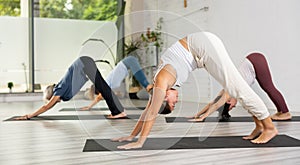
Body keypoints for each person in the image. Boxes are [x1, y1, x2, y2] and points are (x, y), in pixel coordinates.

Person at [112, 32, 278, 150]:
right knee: (233, 88)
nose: (176, 102)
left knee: (237, 87)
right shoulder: (159, 87)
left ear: (164, 96)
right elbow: (147, 111)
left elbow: (152, 113)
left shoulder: (162, 81)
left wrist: (140, 142)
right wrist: (131, 135)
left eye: (172, 103)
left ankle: (269, 127)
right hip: (201, 49)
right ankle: (259, 126)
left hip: (202, 45)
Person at [15, 56, 151, 120]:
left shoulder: (59, 90)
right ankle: (118, 110)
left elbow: (47, 107)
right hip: (85, 63)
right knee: (103, 87)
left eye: (51, 99)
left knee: (103, 87)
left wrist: (29, 115)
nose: (55, 101)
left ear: (51, 95)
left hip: (85, 63)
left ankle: (118, 112)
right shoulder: (61, 90)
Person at [192, 52, 292, 121]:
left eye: (231, 107)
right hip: (253, 60)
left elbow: (216, 105)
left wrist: (203, 117)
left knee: (269, 87)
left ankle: (285, 112)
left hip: (254, 61)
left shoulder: (230, 91)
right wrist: (197, 114)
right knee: (268, 87)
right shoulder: (226, 90)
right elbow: (212, 103)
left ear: (227, 102)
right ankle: (281, 111)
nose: (234, 106)